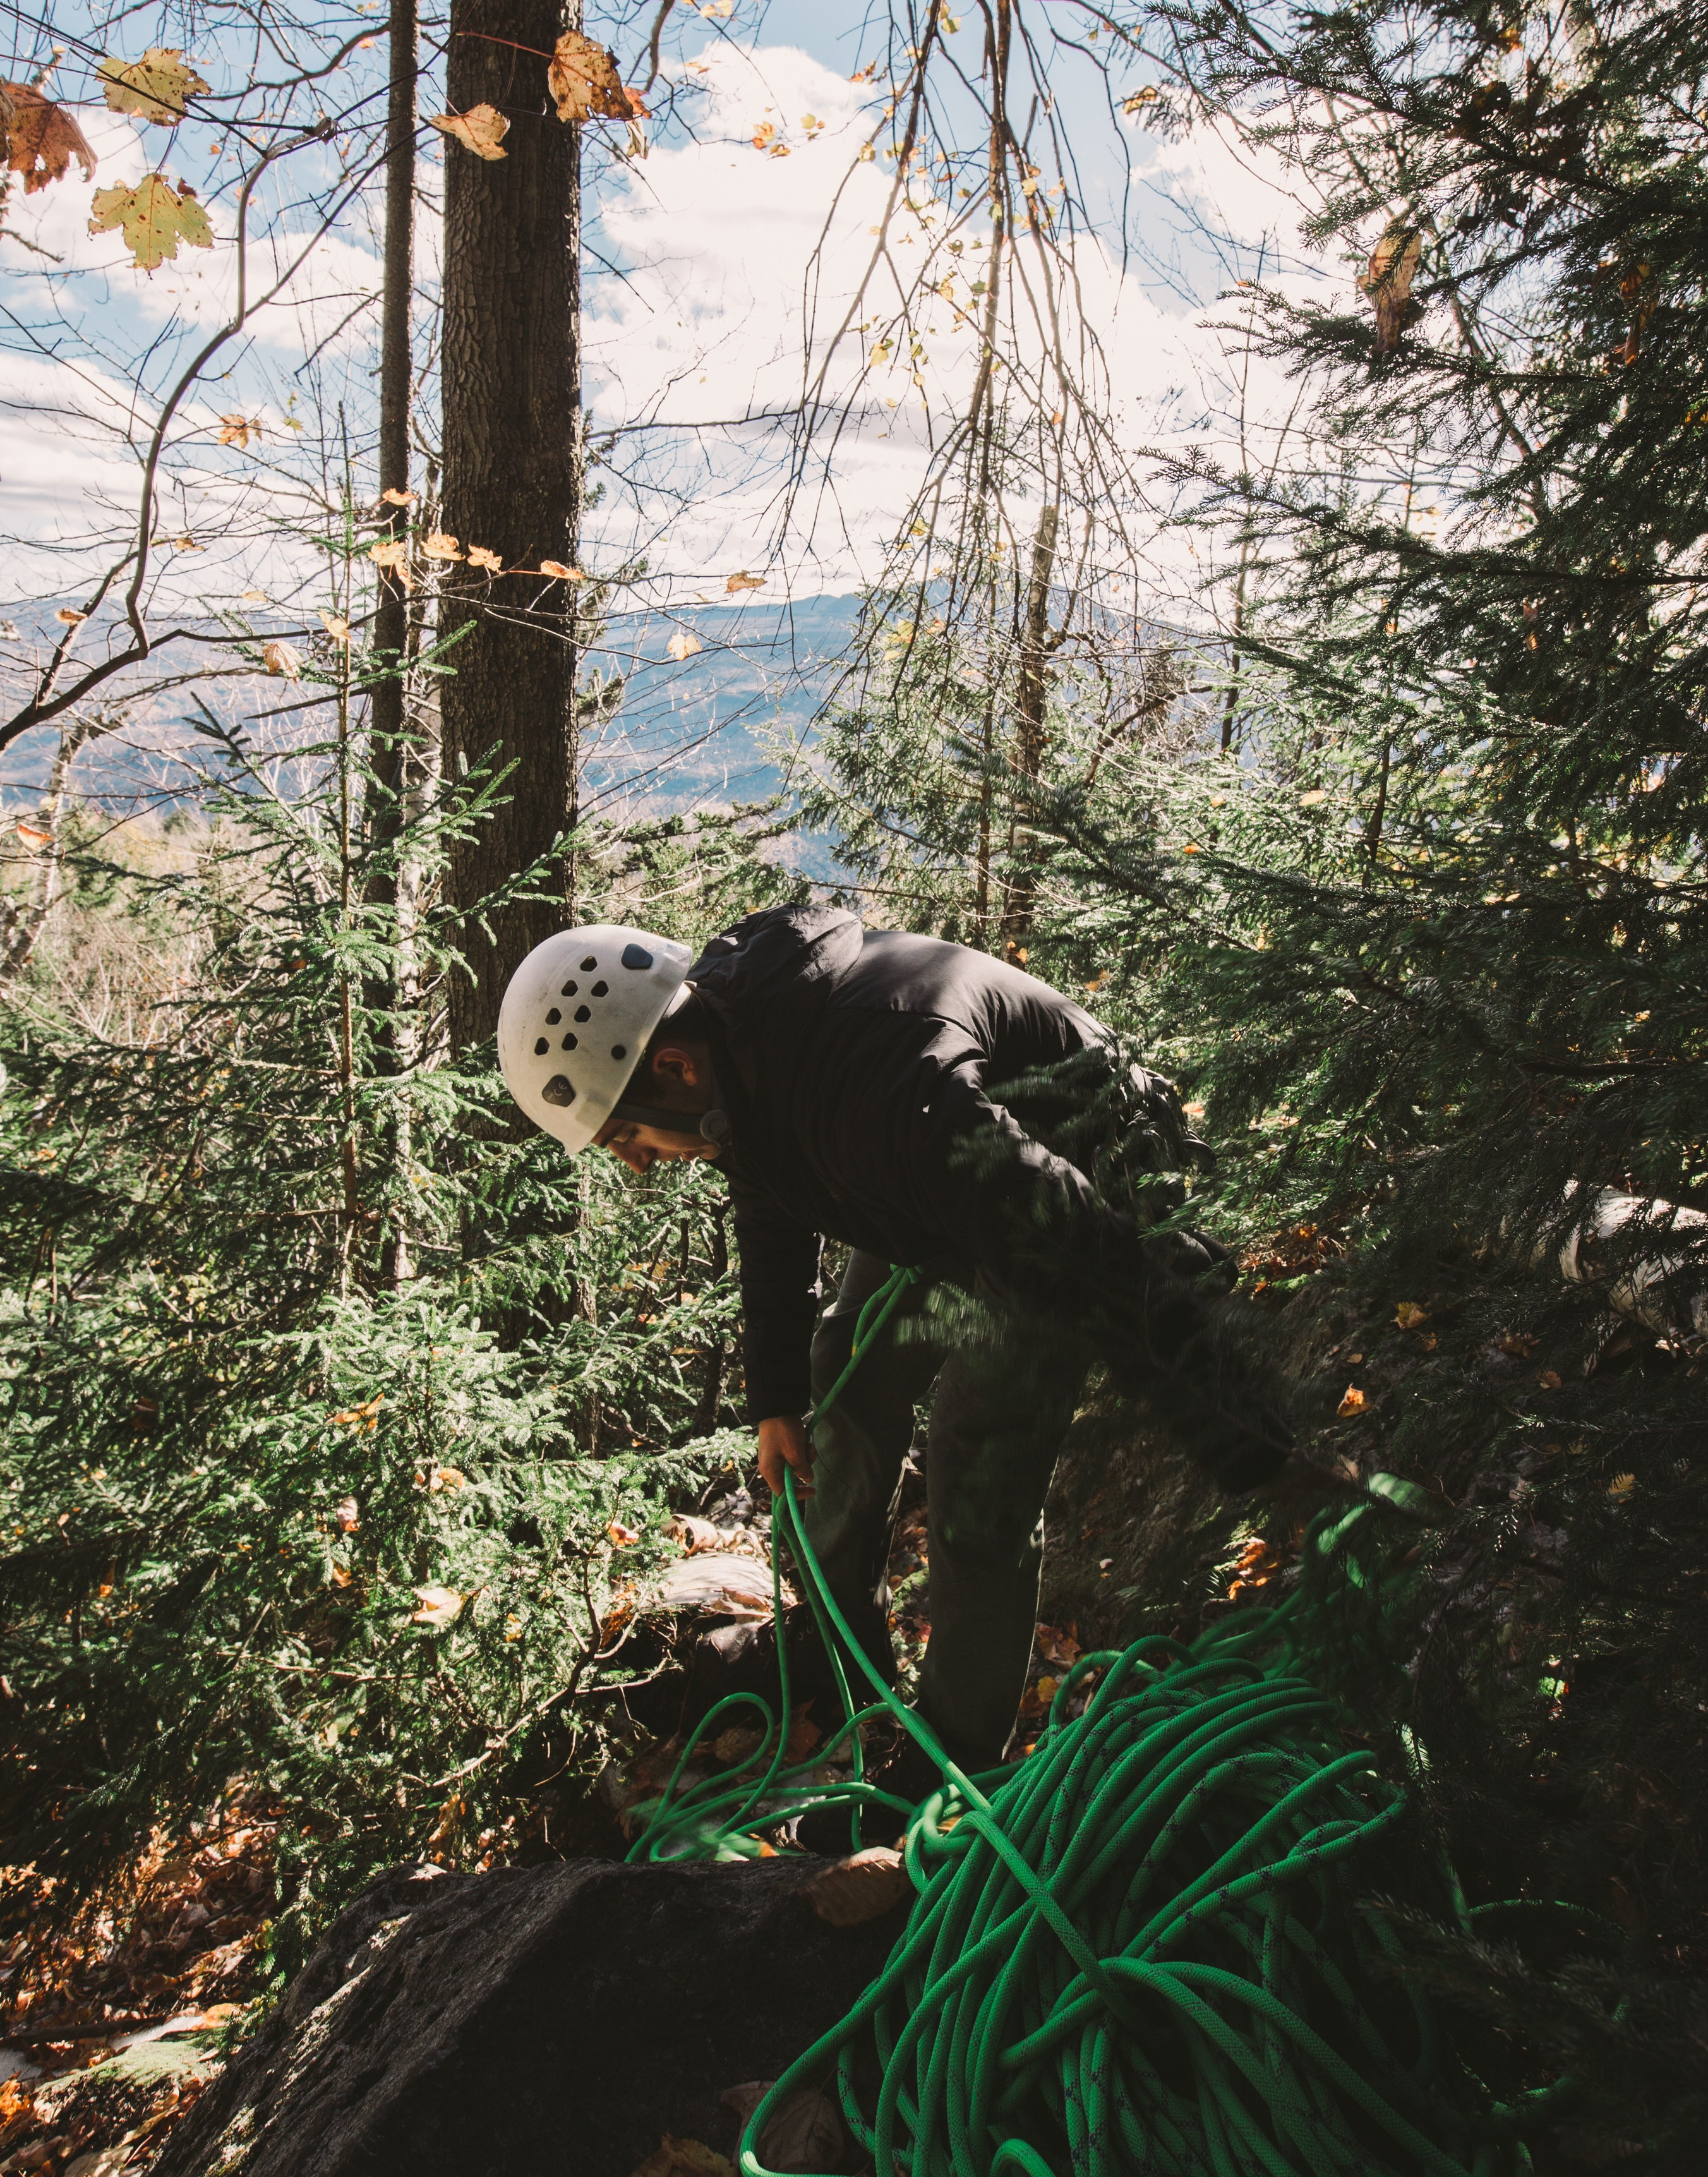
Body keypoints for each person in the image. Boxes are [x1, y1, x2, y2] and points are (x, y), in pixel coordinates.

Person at [498, 906, 1292, 1791]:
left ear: (673, 1068)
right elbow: (770, 1209)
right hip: (941, 1187)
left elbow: (1077, 1237)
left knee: (973, 1466)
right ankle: (844, 1654)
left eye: (625, 1137)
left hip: (1065, 1176)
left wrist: (1241, 1421)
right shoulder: (738, 1051)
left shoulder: (878, 1081)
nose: (638, 1164)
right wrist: (773, 1399)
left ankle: (953, 1762)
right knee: (839, 1376)